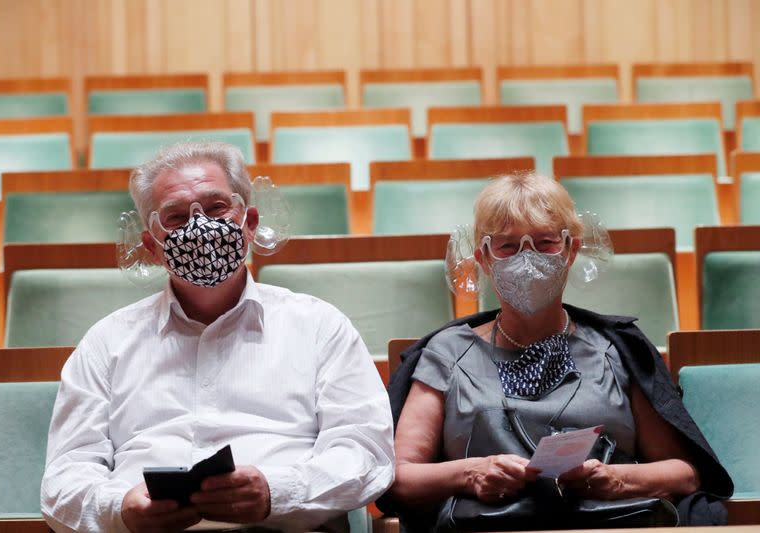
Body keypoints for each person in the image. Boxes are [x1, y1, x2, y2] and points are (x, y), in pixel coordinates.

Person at [40, 141, 395, 533]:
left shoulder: (319, 326)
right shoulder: (106, 343)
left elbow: (367, 453)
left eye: (216, 208)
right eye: (175, 217)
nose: (200, 227)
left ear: (250, 223)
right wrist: (120, 508)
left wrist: (276, 492)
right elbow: (63, 482)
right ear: (152, 247)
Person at [379, 172, 733, 531]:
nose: (527, 258)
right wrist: (470, 473)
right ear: (484, 259)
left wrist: (616, 479)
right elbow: (398, 477)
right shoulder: (446, 353)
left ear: (571, 250)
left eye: (545, 242)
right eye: (507, 246)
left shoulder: (616, 349)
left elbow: (684, 473)